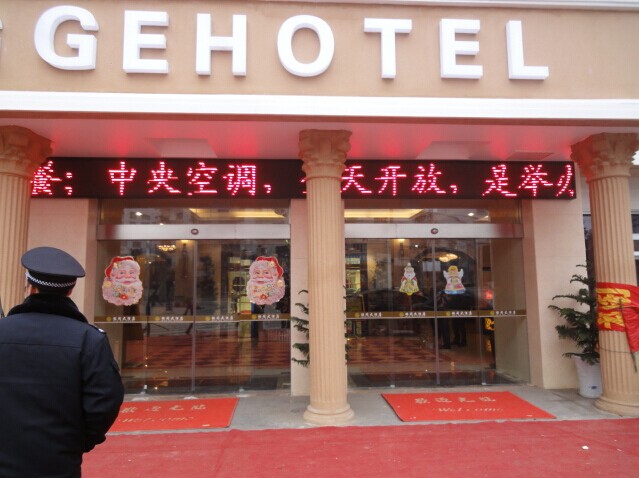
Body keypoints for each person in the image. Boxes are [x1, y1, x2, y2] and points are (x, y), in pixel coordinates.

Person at [0, 246, 124, 477]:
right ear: (70, 291)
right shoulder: (89, 338)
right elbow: (105, 401)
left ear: (30, 287)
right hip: (58, 459)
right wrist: (79, 440)